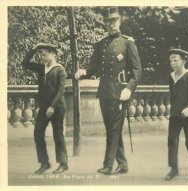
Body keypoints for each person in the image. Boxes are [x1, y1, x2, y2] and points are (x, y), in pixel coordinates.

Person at [75, 7, 142, 175]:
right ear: (105, 24)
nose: (111, 25)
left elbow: (137, 71)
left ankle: (108, 164)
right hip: (104, 92)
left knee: (113, 129)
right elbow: (92, 69)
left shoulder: (128, 43)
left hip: (120, 93)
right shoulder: (101, 44)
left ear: (119, 22)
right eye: (108, 22)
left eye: (114, 21)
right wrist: (83, 72)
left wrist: (129, 88)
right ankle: (123, 164)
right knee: (113, 128)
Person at [22, 43, 68, 174]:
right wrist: (33, 48)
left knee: (58, 135)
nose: (42, 56)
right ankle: (44, 162)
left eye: (44, 53)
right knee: (38, 133)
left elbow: (60, 91)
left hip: (57, 107)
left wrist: (52, 107)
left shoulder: (60, 69)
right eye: (40, 54)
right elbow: (25, 63)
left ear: (53, 54)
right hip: (43, 107)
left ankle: (63, 163)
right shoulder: (42, 68)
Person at [165, 48, 188, 181]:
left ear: (183, 61)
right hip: (175, 114)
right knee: (172, 141)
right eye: (171, 60)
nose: (172, 63)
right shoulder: (172, 76)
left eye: (175, 60)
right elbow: (172, 94)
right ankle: (174, 169)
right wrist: (173, 107)